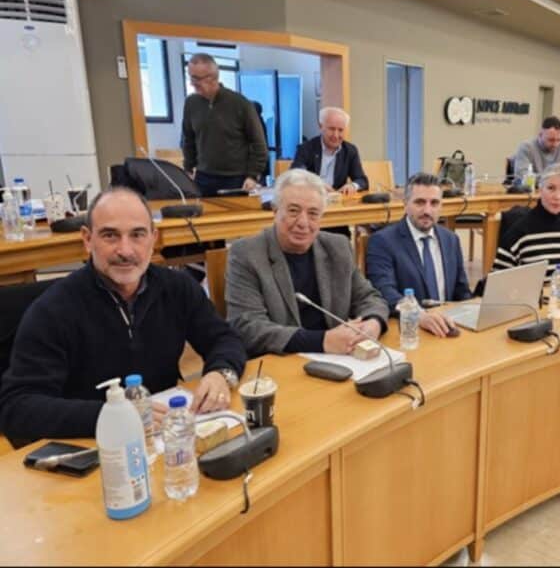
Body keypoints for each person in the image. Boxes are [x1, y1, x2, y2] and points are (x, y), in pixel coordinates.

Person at [0, 187, 247, 442]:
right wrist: (112, 416)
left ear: (153, 238)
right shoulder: (53, 310)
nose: (125, 250)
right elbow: (17, 408)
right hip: (92, 446)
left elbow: (224, 339)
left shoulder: (177, 288)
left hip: (166, 439)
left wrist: (221, 373)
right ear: (87, 239)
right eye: (110, 235)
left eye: (137, 235)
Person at [226, 169, 389, 358]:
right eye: (293, 211)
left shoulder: (338, 247)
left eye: (313, 214)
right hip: (280, 361)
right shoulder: (246, 254)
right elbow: (248, 327)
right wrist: (322, 341)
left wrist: (373, 323)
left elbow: (369, 298)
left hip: (339, 359)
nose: (303, 222)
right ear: (275, 211)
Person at [365, 173, 471, 337]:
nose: (427, 210)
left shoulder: (451, 240)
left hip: (448, 328)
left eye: (434, 203)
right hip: (409, 331)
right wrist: (418, 315)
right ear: (405, 204)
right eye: (420, 202)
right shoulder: (382, 241)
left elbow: (461, 292)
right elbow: (384, 292)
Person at [181, 53, 268, 197]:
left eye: (196, 78)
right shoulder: (191, 103)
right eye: (190, 77)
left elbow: (258, 143)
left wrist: (253, 175)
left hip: (236, 179)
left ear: (212, 77)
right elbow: (188, 139)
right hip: (203, 177)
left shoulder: (240, 104)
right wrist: (188, 169)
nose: (192, 83)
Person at [493, 164, 560, 283]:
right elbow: (498, 281)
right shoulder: (519, 231)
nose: (557, 196)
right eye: (551, 188)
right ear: (540, 190)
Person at [292, 106, 368, 195]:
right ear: (321, 127)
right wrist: (317, 184)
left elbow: (362, 180)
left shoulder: (350, 150)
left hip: (337, 200)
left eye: (340, 130)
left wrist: (353, 186)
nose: (336, 135)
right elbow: (296, 174)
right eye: (332, 129)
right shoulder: (306, 148)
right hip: (312, 197)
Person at [513, 116, 560, 181]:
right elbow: (521, 175)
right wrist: (557, 178)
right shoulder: (526, 148)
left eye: (558, 140)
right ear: (540, 135)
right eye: (551, 140)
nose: (555, 144)